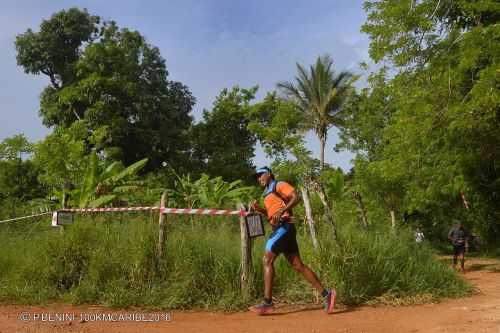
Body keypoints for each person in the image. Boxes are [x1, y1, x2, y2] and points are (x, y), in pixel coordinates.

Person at [249, 166, 336, 315]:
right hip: (282, 230)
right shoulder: (267, 193)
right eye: (257, 177)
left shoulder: (279, 184)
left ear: (269, 174)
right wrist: (259, 209)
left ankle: (267, 303)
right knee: (298, 265)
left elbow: (296, 197)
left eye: (260, 175)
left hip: (284, 228)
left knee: (267, 260)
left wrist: (282, 211)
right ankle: (327, 295)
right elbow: (272, 215)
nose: (259, 179)